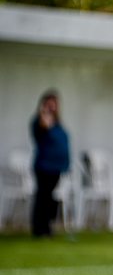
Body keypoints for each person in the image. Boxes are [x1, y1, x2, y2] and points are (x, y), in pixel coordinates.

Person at [30, 89, 70, 237]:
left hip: (56, 167)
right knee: (43, 197)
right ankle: (39, 229)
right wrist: (45, 113)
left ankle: (47, 226)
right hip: (44, 166)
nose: (53, 107)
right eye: (50, 104)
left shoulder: (58, 123)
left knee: (49, 198)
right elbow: (43, 127)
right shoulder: (40, 121)